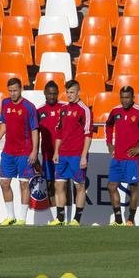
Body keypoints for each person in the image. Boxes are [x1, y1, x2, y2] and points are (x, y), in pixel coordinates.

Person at [105, 86, 139, 226]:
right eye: (122, 97)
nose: (124, 100)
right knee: (111, 186)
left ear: (133, 97)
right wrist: (109, 143)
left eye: (127, 97)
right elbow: (108, 125)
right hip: (117, 157)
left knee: (133, 187)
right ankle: (118, 220)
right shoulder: (115, 111)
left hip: (132, 159)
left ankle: (130, 219)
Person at [0, 78, 39, 226]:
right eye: (10, 90)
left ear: (21, 89)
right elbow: (4, 124)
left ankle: (22, 219)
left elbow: (34, 131)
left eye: (15, 90)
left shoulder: (29, 107)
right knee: (4, 183)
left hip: (24, 152)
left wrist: (34, 151)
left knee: (24, 184)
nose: (12, 93)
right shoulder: (5, 103)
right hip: (8, 151)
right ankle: (10, 216)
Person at [50, 80, 93, 226]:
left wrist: (83, 156)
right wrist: (56, 151)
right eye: (67, 92)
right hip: (63, 154)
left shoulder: (84, 110)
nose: (69, 95)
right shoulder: (63, 109)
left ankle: (76, 219)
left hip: (77, 154)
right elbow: (59, 133)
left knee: (79, 186)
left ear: (78, 92)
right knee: (58, 185)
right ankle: (60, 218)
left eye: (72, 92)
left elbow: (88, 135)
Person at [37, 81, 65, 206]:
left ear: (58, 93)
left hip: (63, 154)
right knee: (49, 183)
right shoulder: (39, 112)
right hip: (47, 154)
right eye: (49, 94)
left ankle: (63, 214)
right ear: (44, 93)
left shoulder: (64, 109)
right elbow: (35, 135)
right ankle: (54, 212)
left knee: (63, 183)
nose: (52, 97)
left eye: (54, 94)